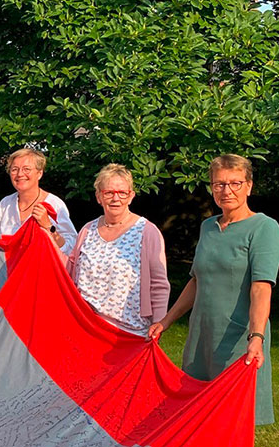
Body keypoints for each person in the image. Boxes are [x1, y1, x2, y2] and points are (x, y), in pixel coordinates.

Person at [149, 154, 279, 425]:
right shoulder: (208, 226)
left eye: (235, 183)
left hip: (237, 338)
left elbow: (261, 288)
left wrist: (256, 336)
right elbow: (196, 280)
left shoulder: (264, 227)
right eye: (219, 184)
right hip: (202, 336)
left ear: (249, 186)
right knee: (197, 415)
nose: (226, 190)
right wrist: (166, 321)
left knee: (232, 419)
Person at [67, 164, 169, 335]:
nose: (116, 198)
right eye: (109, 193)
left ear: (131, 196)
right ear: (99, 196)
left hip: (130, 332)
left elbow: (159, 284)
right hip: (86, 328)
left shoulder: (147, 231)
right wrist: (47, 236)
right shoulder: (87, 230)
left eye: (122, 193)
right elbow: (69, 270)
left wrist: (158, 324)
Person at [0, 147, 76, 252]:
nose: (20, 174)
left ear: (39, 174)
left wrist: (49, 227)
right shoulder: (5, 204)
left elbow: (72, 247)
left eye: (26, 169)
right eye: (14, 169)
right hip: (7, 268)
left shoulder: (54, 204)